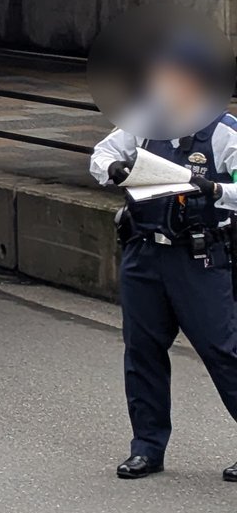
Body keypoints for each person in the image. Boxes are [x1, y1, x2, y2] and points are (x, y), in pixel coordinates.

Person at [90, 37, 237, 481]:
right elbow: (102, 154)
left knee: (224, 352)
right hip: (144, 253)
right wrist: (114, 169)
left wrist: (216, 189)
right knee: (142, 351)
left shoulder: (222, 132)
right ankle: (147, 447)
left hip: (198, 258)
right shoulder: (145, 121)